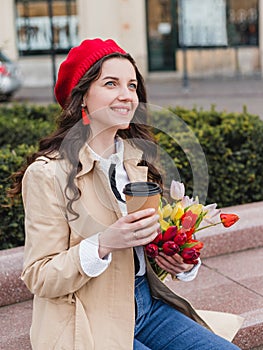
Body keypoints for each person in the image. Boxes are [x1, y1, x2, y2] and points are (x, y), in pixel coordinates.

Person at [9, 38, 241, 349]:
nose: (126, 95)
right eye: (111, 84)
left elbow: (146, 242)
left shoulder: (136, 158)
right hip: (87, 316)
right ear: (82, 99)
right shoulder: (48, 173)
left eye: (132, 86)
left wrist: (176, 258)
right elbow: (39, 276)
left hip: (148, 305)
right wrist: (103, 243)